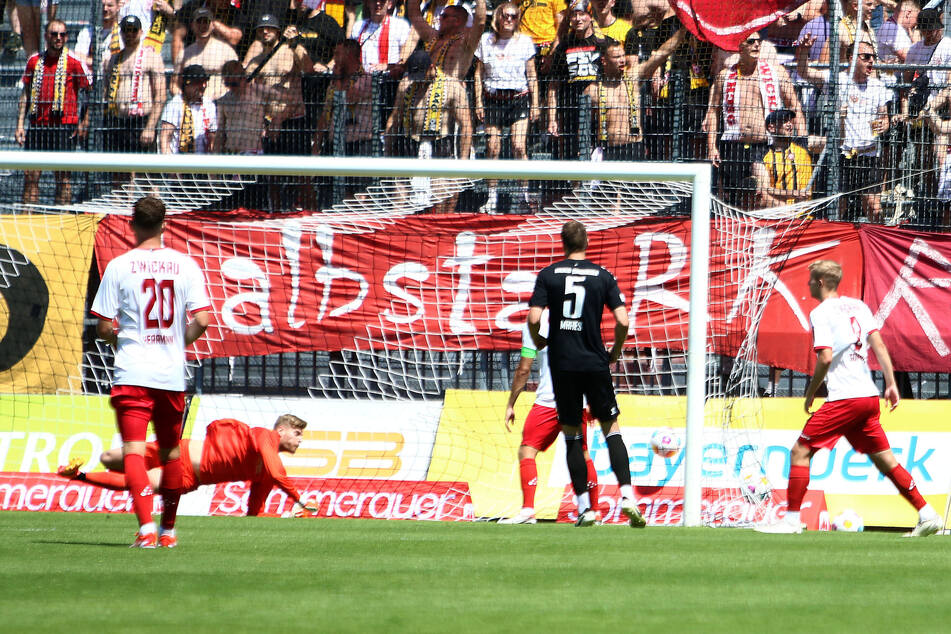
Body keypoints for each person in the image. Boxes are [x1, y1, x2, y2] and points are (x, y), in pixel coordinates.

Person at [757, 260, 942, 537]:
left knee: (800, 451)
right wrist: (891, 384)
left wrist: (810, 393)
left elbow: (826, 357)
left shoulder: (820, 313)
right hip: (868, 397)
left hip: (845, 399)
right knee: (885, 461)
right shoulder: (859, 306)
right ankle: (928, 514)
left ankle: (792, 520)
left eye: (810, 281)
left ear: (820, 283)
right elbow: (878, 343)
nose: (808, 285)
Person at [89, 196, 211, 548]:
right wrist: (177, 344)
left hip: (132, 372)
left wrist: (119, 340)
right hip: (170, 375)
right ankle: (168, 532)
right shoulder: (186, 265)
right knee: (172, 453)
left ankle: (145, 529)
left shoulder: (118, 266)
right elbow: (202, 320)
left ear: (132, 224)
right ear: (164, 224)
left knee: (134, 451)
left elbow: (103, 328)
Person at [527, 220, 645, 528]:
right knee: (611, 429)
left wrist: (538, 340)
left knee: (572, 436)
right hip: (595, 361)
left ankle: (585, 509)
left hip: (563, 363)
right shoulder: (603, 275)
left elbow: (534, 317)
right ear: (587, 242)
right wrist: (616, 351)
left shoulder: (548, 275)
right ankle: (628, 497)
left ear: (562, 244)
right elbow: (623, 320)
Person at [57, 415, 317, 518]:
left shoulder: (271, 473)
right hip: (178, 449)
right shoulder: (264, 436)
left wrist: (286, 516)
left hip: (188, 475)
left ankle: (77, 475)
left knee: (138, 483)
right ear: (281, 430)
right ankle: (91, 468)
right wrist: (300, 498)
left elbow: (254, 514)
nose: (300, 440)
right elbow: (274, 468)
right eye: (297, 433)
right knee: (109, 457)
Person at [500, 310, 600, 524]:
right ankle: (595, 511)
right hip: (576, 402)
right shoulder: (580, 320)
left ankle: (527, 511)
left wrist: (511, 404)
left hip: (548, 401)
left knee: (527, 450)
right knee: (583, 454)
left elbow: (524, 369)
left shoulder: (534, 323)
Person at [705, 31, 806, 209]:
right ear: (739, 46)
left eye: (759, 41)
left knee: (761, 192)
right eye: (751, 42)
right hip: (733, 145)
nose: (757, 45)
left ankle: (787, 215)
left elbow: (795, 105)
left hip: (764, 145)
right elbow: (713, 111)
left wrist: (802, 141)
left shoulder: (776, 72)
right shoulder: (724, 75)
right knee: (732, 196)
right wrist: (711, 146)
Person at [797, 37, 891, 221]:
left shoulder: (878, 86)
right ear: (852, 58)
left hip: (869, 156)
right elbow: (804, 72)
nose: (871, 61)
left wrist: (884, 124)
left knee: (874, 208)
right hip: (842, 155)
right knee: (837, 207)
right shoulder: (837, 79)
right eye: (866, 57)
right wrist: (803, 51)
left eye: (873, 57)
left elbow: (884, 117)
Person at [15, 20, 91, 205]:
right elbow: (26, 93)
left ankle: (61, 219)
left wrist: (83, 122)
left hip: (64, 127)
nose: (58, 38)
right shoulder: (34, 62)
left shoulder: (73, 63)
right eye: (54, 34)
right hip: (38, 125)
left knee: (63, 177)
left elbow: (89, 92)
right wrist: (19, 124)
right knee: (31, 176)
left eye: (62, 34)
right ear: (46, 36)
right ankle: (29, 219)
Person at [473, 1, 538, 213]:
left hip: (518, 98)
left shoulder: (525, 42)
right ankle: (492, 198)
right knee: (493, 148)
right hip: (493, 99)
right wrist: (478, 102)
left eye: (513, 16)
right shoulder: (485, 40)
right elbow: (478, 74)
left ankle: (524, 197)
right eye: (505, 15)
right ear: (498, 17)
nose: (509, 19)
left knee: (519, 146)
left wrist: (536, 104)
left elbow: (532, 75)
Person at [246, 14, 316, 211]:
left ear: (278, 31)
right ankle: (275, 215)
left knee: (302, 175)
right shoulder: (257, 60)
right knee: (273, 176)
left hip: (294, 120)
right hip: (270, 125)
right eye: (261, 28)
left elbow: (308, 68)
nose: (265, 31)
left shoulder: (290, 51)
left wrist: (295, 43)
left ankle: (312, 215)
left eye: (269, 28)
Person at [583, 32, 684, 162]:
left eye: (623, 56)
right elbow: (583, 128)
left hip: (635, 149)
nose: (622, 60)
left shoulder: (633, 78)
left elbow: (662, 54)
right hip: (609, 151)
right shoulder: (592, 90)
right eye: (616, 57)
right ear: (604, 61)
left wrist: (684, 29)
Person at [102, 15, 167, 158]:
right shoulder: (113, 59)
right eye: (126, 30)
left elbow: (161, 95)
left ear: (141, 32)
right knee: (118, 172)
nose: (129, 34)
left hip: (141, 121)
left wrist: (150, 127)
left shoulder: (152, 57)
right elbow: (106, 92)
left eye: (133, 30)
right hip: (118, 121)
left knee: (142, 172)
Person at [406, 0, 486, 80]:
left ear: (456, 21)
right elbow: (414, 14)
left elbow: (480, 22)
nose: (440, 18)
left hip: (451, 87)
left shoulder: (465, 42)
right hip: (426, 84)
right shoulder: (433, 35)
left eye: (444, 16)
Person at [751, 108, 813, 208]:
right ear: (771, 128)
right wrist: (795, 194)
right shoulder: (762, 154)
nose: (790, 124)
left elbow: (825, 141)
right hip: (780, 212)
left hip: (806, 214)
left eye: (790, 121)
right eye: (784, 121)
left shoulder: (802, 144)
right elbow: (765, 189)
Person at [174, 7, 238, 101]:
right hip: (192, 105)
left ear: (212, 25)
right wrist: (184, 98)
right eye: (199, 22)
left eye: (206, 22)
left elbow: (237, 81)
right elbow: (174, 84)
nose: (202, 25)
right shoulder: (185, 54)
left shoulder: (226, 51)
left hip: (219, 103)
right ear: (192, 25)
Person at [160, 63, 217, 155]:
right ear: (187, 84)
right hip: (179, 162)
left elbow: (213, 138)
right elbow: (164, 138)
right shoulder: (175, 104)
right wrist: (170, 166)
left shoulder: (209, 105)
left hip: (204, 163)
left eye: (204, 82)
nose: (202, 86)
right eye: (197, 82)